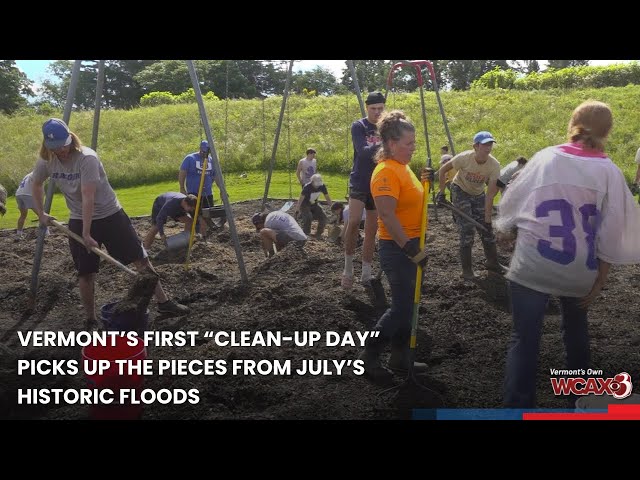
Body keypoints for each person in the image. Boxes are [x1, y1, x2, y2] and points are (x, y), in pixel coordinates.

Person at [496, 100, 640, 408]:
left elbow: (511, 200)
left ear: (571, 124)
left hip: (533, 264)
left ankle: (516, 407)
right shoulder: (609, 172)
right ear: (608, 132)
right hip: (579, 269)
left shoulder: (546, 157)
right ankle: (581, 399)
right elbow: (613, 230)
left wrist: (506, 229)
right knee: (576, 334)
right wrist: (600, 279)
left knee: (524, 339)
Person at [32, 118, 189, 328]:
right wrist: (41, 213)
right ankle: (90, 319)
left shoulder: (87, 158)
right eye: (55, 147)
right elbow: (36, 184)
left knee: (140, 259)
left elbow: (88, 196)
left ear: (70, 138)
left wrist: (87, 234)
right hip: (78, 218)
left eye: (63, 144)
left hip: (110, 215)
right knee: (85, 272)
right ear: (47, 145)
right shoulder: (46, 160)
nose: (61, 150)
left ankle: (164, 302)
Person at [358, 110, 429, 382]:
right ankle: (368, 356)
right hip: (398, 248)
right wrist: (411, 249)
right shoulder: (386, 171)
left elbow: (412, 201)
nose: (413, 148)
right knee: (401, 307)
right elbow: (386, 215)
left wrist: (424, 182)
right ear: (390, 143)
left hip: (410, 245)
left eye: (414, 143)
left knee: (409, 305)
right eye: (408, 143)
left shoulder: (403, 167)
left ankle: (400, 357)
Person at [436, 131, 503, 280]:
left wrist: (487, 220)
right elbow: (442, 170)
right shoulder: (464, 158)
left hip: (479, 195)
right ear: (476, 146)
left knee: (486, 230)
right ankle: (467, 271)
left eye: (490, 144)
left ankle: (492, 263)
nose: (488, 148)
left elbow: (491, 194)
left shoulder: (494, 165)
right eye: (485, 144)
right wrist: (441, 192)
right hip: (460, 190)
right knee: (467, 231)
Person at [342, 91, 386, 290]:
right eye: (373, 108)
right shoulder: (359, 126)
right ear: (367, 108)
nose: (377, 112)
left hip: (377, 183)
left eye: (380, 108)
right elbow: (363, 151)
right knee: (352, 223)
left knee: (371, 230)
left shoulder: (387, 127)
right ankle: (348, 268)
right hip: (359, 181)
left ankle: (366, 272)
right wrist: (385, 145)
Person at [179, 140, 223, 237]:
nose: (204, 154)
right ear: (200, 149)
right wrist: (182, 187)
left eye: (206, 152)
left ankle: (206, 235)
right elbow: (182, 173)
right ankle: (193, 235)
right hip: (194, 193)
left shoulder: (212, 160)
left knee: (207, 215)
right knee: (195, 216)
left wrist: (222, 190)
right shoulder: (190, 158)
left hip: (207, 193)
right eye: (203, 151)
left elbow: (216, 176)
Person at [293, 173, 332, 239]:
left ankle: (318, 233)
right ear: (312, 182)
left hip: (314, 203)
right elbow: (301, 198)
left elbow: (327, 197)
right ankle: (306, 234)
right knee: (308, 217)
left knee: (323, 217)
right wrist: (297, 208)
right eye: (316, 185)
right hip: (304, 204)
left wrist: (332, 207)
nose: (317, 187)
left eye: (318, 185)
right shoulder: (307, 187)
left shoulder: (322, 186)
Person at [14, 171, 50, 239]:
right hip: (28, 194)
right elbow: (39, 186)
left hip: (18, 194)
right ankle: (46, 233)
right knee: (41, 214)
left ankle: (18, 234)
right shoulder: (39, 174)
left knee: (23, 215)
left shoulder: (29, 175)